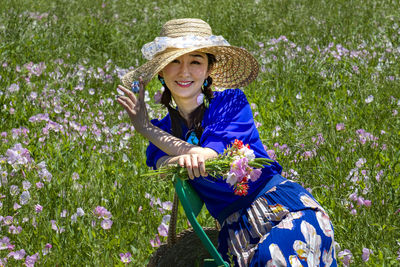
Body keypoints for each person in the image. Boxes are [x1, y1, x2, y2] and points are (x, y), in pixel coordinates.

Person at [117, 18, 337, 267]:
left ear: (209, 69)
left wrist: (145, 128)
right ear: (161, 71)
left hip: (281, 212)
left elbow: (208, 156)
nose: (184, 71)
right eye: (174, 61)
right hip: (236, 235)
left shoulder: (230, 103)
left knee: (271, 260)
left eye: (196, 61)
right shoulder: (164, 132)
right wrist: (163, 143)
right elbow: (166, 165)